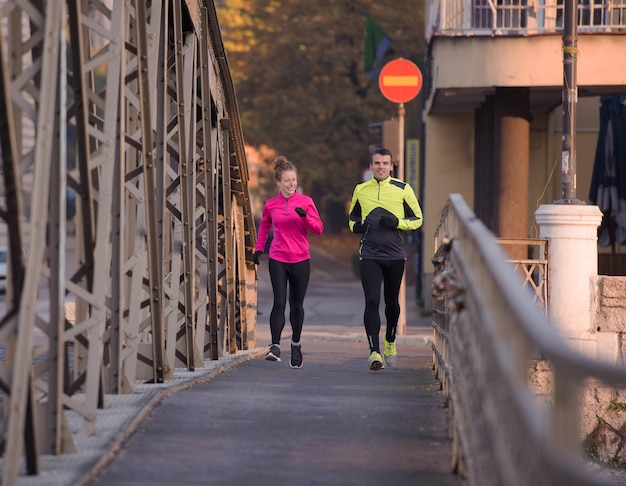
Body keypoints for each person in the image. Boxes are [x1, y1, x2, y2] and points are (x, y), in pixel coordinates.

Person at [348, 147, 423, 370]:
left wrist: (397, 223)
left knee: (391, 302)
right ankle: (374, 351)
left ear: (392, 166)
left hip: (395, 255)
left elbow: (417, 219)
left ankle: (390, 339)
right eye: (377, 163)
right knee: (371, 301)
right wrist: (357, 227)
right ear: (371, 166)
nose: (381, 167)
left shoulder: (403, 189)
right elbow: (352, 218)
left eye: (385, 163)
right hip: (369, 254)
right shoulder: (361, 189)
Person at [253, 156, 324, 368]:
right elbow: (265, 227)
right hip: (278, 257)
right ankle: (275, 346)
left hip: (301, 258)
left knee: (297, 305)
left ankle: (295, 344)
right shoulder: (271, 205)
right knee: (279, 302)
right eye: (287, 180)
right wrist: (259, 248)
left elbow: (318, 229)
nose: (291, 184)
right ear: (278, 182)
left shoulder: (306, 202)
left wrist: (304, 217)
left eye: (294, 180)